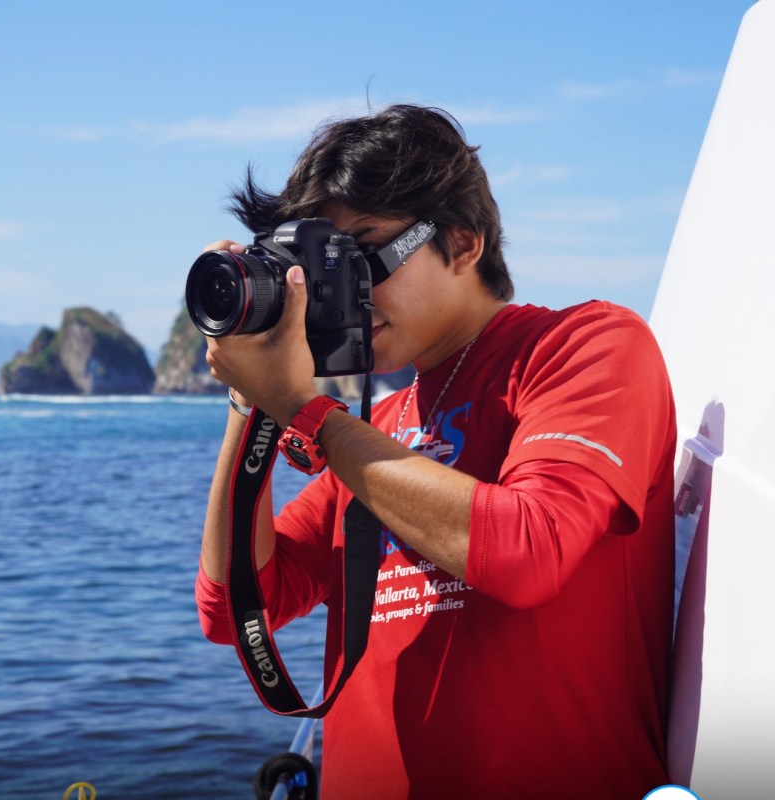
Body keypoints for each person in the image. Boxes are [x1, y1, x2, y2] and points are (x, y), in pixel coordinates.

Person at [195, 104, 676, 799]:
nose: (345, 294)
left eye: (358, 257)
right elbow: (236, 605)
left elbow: (528, 550)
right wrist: (252, 400)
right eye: (323, 267)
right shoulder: (375, 427)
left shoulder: (586, 346)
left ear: (463, 241)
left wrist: (311, 414)